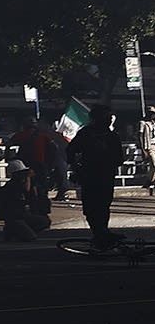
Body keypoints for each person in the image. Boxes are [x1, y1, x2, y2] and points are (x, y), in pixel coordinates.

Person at [72, 106, 123, 251]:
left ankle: (103, 233)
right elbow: (71, 151)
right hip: (89, 176)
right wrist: (77, 168)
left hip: (106, 176)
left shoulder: (112, 136)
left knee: (103, 206)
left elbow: (119, 158)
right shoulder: (85, 134)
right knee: (90, 208)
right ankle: (99, 233)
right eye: (105, 117)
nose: (108, 120)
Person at [0, 166, 39, 242]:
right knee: (30, 237)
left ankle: (14, 231)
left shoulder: (16, 185)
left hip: (17, 215)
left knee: (42, 222)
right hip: (14, 217)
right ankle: (14, 230)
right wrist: (28, 178)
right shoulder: (13, 187)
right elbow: (26, 191)